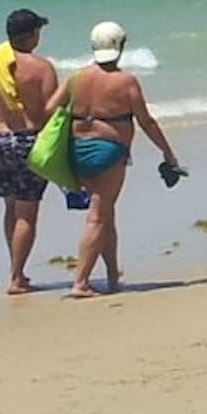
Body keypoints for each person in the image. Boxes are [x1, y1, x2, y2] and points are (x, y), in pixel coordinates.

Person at [46, 20, 182, 299]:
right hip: (109, 151)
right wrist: (167, 152)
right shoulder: (125, 81)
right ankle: (81, 282)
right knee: (98, 216)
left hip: (76, 149)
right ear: (119, 47)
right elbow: (146, 121)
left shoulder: (76, 77)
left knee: (105, 211)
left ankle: (111, 275)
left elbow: (49, 107)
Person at [0, 7, 58, 294]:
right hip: (25, 142)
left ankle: (16, 270)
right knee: (27, 212)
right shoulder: (41, 67)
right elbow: (51, 110)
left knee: (11, 207)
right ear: (31, 35)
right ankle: (17, 276)